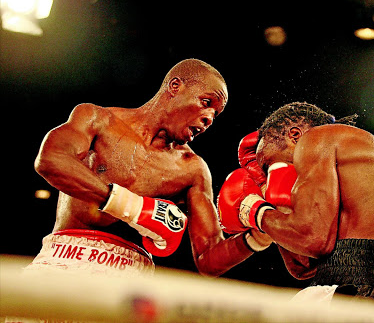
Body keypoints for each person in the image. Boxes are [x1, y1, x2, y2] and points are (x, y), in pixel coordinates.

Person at [30, 58, 270, 278]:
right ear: (175, 87)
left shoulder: (192, 170)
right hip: (61, 259)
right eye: (206, 102)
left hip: (130, 278)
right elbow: (51, 160)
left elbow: (208, 258)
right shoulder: (97, 119)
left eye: (215, 114)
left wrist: (260, 232)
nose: (209, 118)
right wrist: (135, 209)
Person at [217, 101, 374, 314]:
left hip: (358, 296)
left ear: (295, 135)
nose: (274, 174)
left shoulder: (317, 138)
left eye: (270, 165)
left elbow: (311, 239)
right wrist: (275, 202)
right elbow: (302, 267)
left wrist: (253, 210)